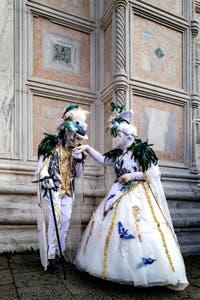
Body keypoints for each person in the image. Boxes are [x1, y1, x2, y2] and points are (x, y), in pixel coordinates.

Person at [74, 103, 188, 290]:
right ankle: (115, 268)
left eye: (118, 135)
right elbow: (103, 160)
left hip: (137, 195)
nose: (116, 139)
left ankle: (144, 271)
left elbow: (152, 175)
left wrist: (132, 175)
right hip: (118, 193)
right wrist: (87, 148)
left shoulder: (142, 152)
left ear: (128, 136)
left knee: (137, 228)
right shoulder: (119, 155)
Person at [35, 103, 89, 271]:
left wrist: (79, 159)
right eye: (75, 136)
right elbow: (40, 168)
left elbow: (78, 175)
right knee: (55, 220)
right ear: (67, 130)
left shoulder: (76, 150)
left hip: (68, 191)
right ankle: (51, 256)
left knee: (65, 220)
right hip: (53, 189)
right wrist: (46, 179)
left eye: (79, 138)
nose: (76, 140)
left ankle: (60, 251)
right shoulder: (51, 145)